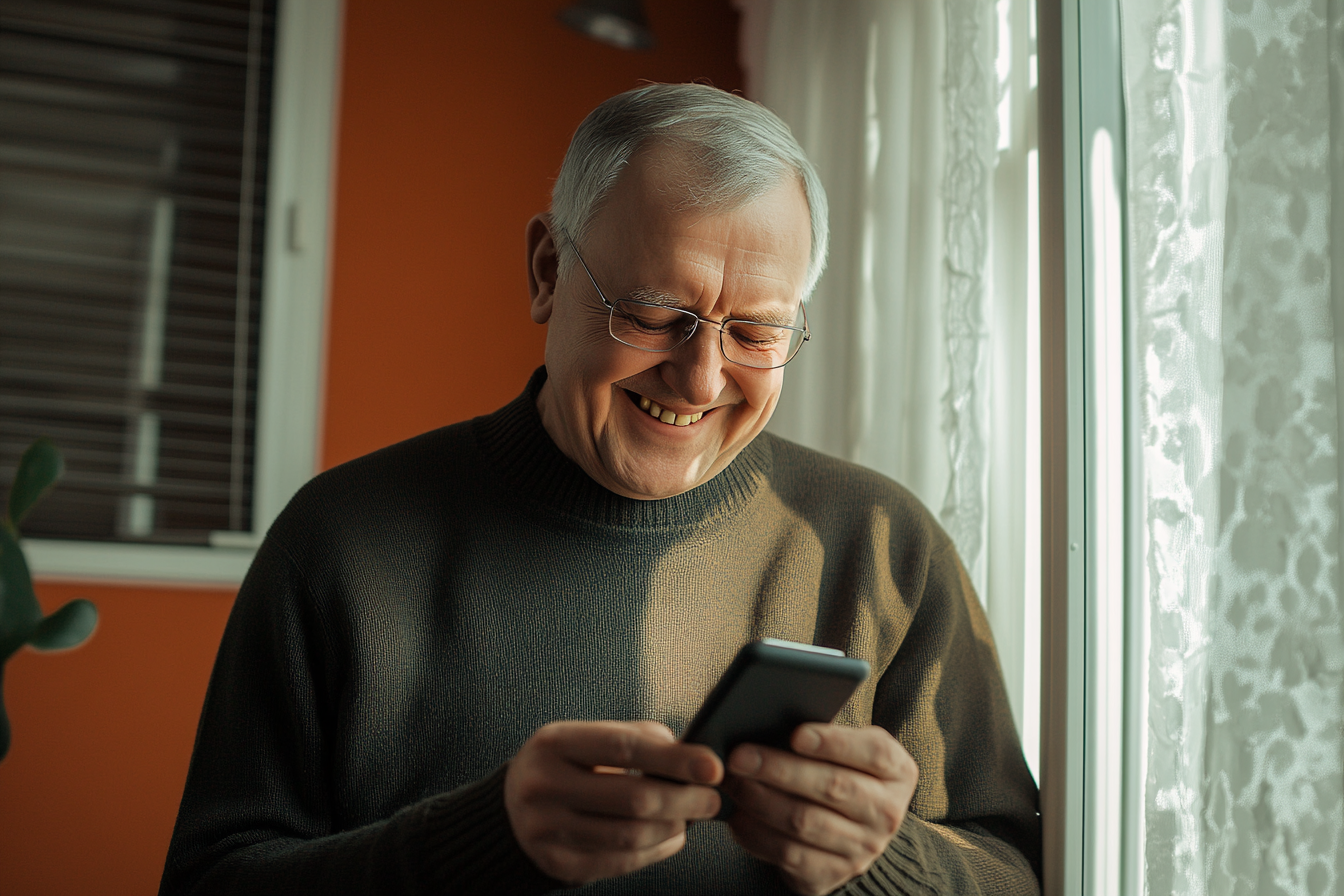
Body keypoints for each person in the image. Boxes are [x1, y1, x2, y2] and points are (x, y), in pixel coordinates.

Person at [160, 83, 1040, 896]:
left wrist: (885, 863)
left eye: (757, 333)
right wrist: (480, 844)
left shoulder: (885, 546)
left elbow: (1015, 872)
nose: (700, 379)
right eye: (656, 315)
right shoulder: (343, 540)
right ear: (547, 270)